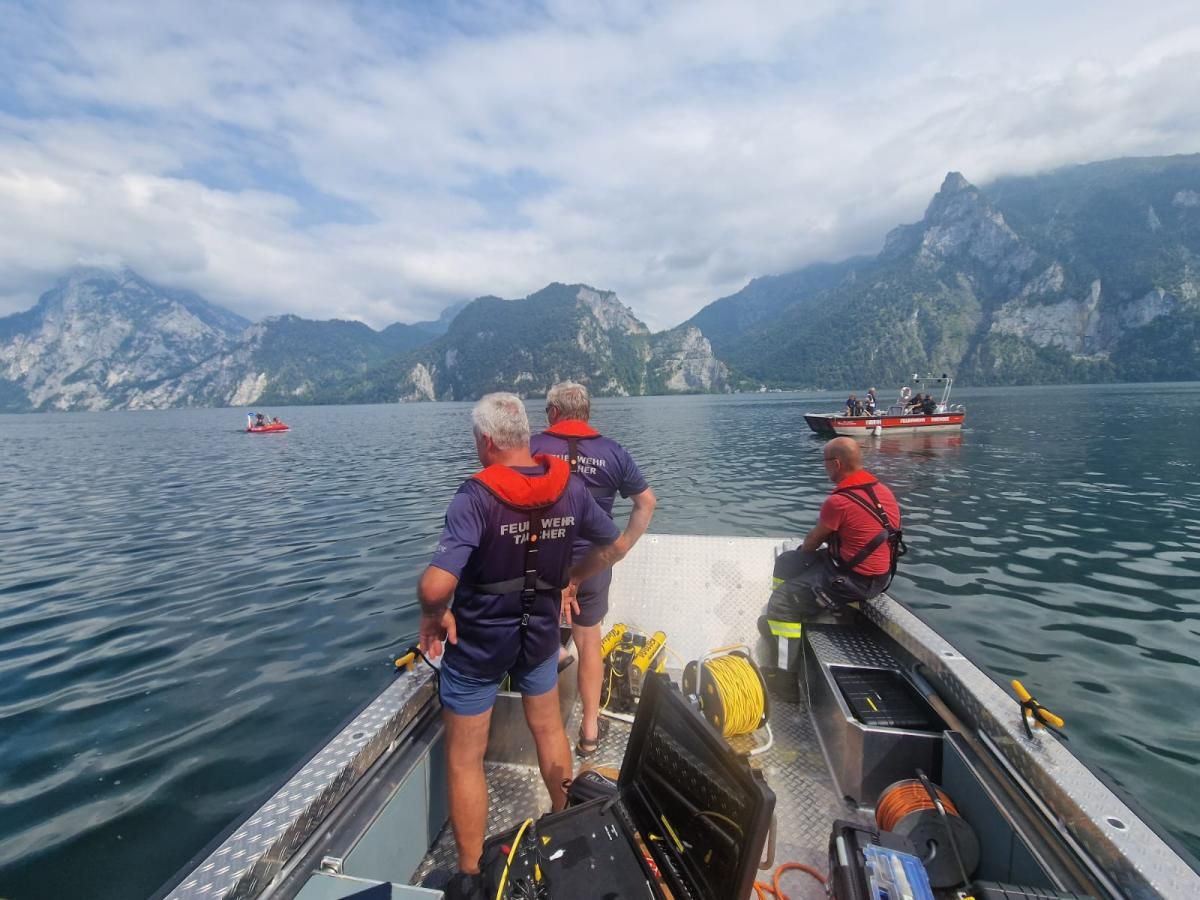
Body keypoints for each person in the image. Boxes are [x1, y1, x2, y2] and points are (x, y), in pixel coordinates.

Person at [418, 393, 630, 900]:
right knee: (549, 728)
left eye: (476, 440)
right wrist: (570, 581)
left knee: (466, 758)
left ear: (488, 442)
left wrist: (434, 614)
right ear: (523, 437)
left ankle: (470, 876)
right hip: (538, 636)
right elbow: (612, 545)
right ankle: (564, 829)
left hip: (479, 646)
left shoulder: (475, 497)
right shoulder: (571, 488)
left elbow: (433, 585)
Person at [530, 381, 657, 758]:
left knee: (535, 628)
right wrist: (619, 549)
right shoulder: (612, 452)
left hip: (542, 561)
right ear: (587, 413)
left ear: (553, 412)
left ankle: (553, 665)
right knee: (589, 643)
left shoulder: (533, 447)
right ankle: (588, 732)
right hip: (593, 563)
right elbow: (646, 503)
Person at [764, 437, 905, 645]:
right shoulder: (882, 490)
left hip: (854, 581)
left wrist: (802, 557)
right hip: (879, 576)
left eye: (825, 462)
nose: (824, 467)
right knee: (786, 560)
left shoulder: (839, 501)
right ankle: (801, 607)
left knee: (783, 600)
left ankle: (784, 667)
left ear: (836, 463)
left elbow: (813, 541)